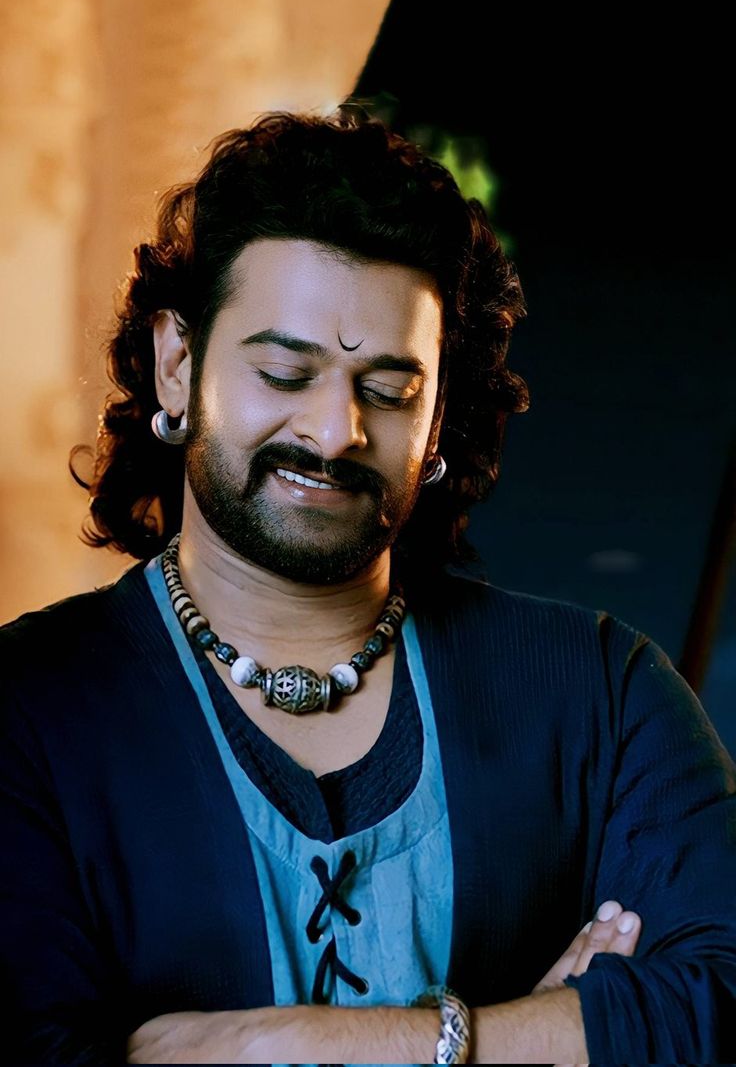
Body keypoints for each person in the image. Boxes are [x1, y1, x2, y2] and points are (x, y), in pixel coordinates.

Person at [1, 111, 734, 1066]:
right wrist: (545, 1035)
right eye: (282, 371)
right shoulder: (29, 713)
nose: (335, 428)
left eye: (388, 391)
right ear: (177, 364)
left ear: (437, 420)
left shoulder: (600, 692)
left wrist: (290, 1040)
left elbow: (719, 1000)